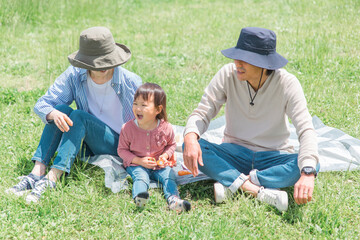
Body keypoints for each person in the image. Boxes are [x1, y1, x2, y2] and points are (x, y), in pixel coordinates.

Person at [183, 27, 319, 212]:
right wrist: (191, 138)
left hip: (272, 155)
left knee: (310, 163)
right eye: (236, 56)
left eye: (245, 59)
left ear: (264, 64)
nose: (236, 62)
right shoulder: (227, 74)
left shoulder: (288, 83)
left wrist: (308, 173)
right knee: (192, 145)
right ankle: (255, 190)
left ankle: (235, 183)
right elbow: (202, 112)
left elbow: (306, 130)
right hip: (233, 153)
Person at [6, 26, 142, 203]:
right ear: (86, 62)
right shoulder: (74, 75)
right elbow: (43, 104)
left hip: (117, 143)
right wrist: (53, 114)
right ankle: (36, 173)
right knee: (61, 110)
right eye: (97, 62)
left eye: (107, 60)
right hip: (84, 141)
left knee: (78, 116)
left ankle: (52, 179)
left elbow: (147, 121)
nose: (103, 66)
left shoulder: (131, 82)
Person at [118, 83, 191, 212]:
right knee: (141, 177)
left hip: (160, 165)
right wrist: (139, 161)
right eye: (135, 103)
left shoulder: (165, 128)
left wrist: (165, 155)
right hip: (137, 164)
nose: (138, 108)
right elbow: (122, 150)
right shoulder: (128, 128)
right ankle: (140, 197)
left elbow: (171, 144)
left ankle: (174, 200)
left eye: (144, 105)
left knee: (169, 177)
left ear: (158, 110)